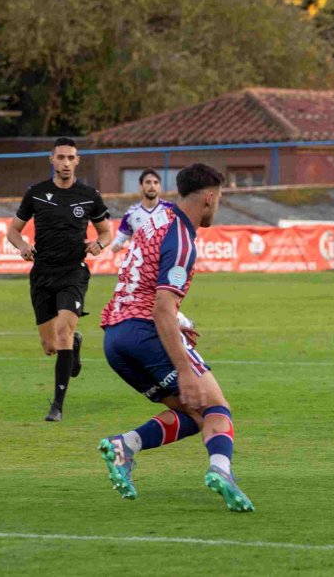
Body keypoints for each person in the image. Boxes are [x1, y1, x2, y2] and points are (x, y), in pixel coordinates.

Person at [97, 163, 255, 512]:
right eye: (220, 199)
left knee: (191, 414)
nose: (218, 206)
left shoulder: (155, 218)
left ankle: (125, 445)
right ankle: (221, 471)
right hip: (144, 330)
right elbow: (161, 308)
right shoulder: (182, 238)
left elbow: (144, 285)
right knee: (216, 407)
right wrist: (184, 368)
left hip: (115, 340)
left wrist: (177, 320)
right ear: (210, 197)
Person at [7, 137, 111, 422]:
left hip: (73, 271)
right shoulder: (36, 193)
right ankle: (74, 344)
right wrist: (23, 246)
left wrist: (99, 245)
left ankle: (57, 406)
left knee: (63, 331)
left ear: (77, 161)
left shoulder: (89, 195)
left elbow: (106, 232)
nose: (66, 163)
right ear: (52, 159)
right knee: (51, 346)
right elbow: (13, 231)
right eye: (61, 157)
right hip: (42, 273)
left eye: (71, 158)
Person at [110, 169, 176, 253]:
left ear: (160, 187)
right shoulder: (131, 213)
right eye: (148, 182)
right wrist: (116, 246)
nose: (152, 186)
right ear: (141, 186)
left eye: (156, 182)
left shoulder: (171, 210)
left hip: (166, 260)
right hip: (142, 263)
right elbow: (119, 240)